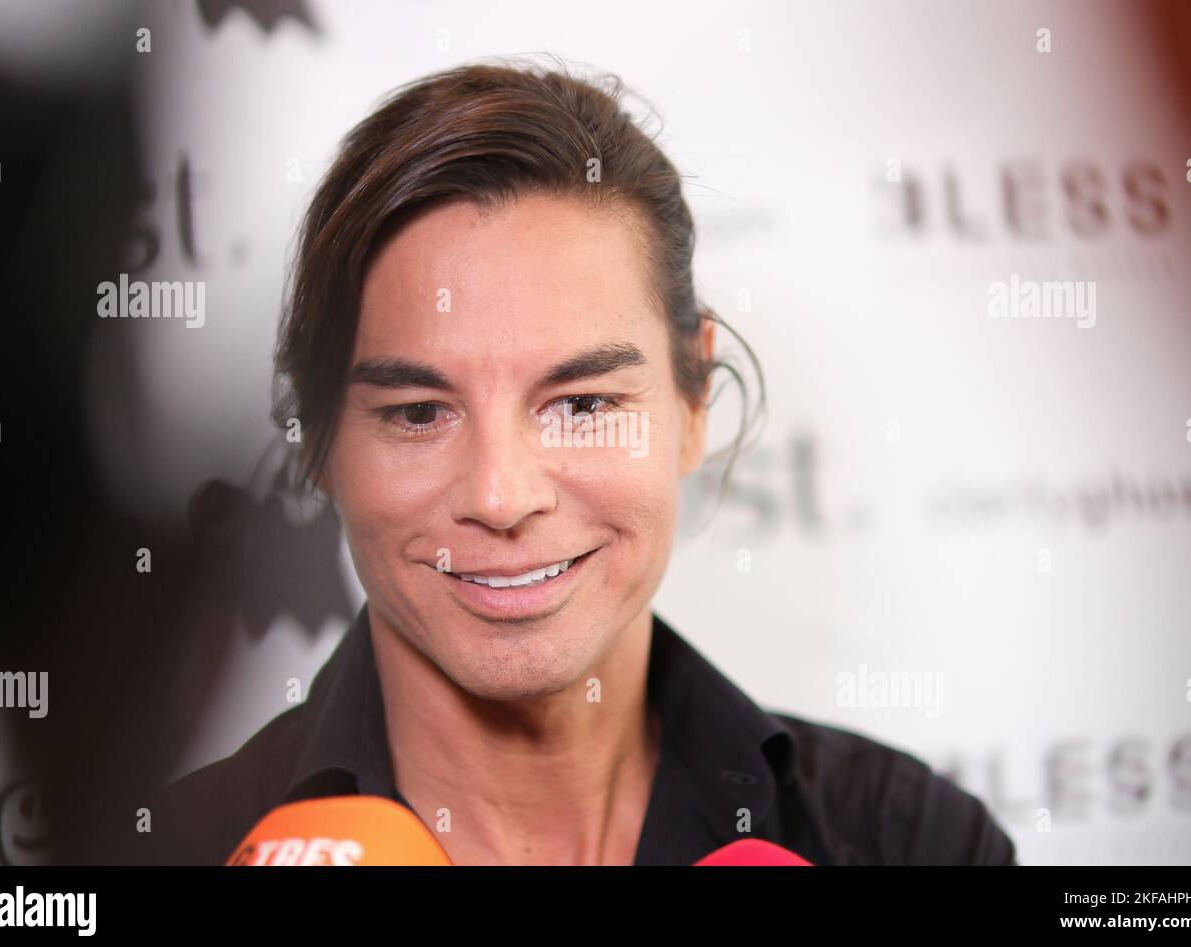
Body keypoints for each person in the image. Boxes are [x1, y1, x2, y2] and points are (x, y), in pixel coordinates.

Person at [139, 57, 1016, 866]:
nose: (500, 494)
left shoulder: (910, 843)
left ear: (692, 399)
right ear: (319, 438)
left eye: (583, 404)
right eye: (417, 413)